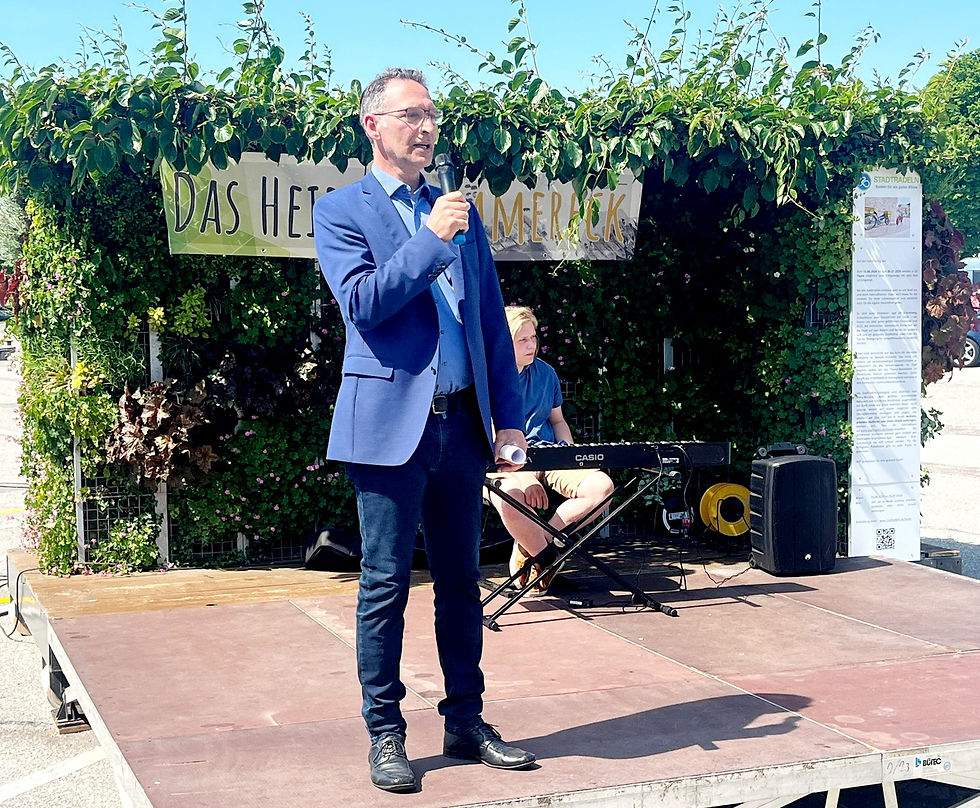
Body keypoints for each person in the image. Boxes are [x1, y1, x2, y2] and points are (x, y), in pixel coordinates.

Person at [312, 68, 536, 793]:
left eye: (432, 114)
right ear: (372, 124)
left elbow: (490, 330)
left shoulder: (458, 212)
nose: (427, 126)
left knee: (462, 584)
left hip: (462, 429)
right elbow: (365, 304)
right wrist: (431, 239)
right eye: (411, 114)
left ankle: (466, 721)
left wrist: (507, 420)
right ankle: (385, 733)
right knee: (384, 584)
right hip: (387, 428)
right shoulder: (343, 211)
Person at [488, 306, 615, 591]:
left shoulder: (546, 374)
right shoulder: (487, 378)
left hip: (548, 454)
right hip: (503, 462)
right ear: (505, 341)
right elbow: (494, 438)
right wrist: (526, 477)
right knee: (512, 496)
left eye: (533, 337)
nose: (532, 345)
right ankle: (545, 558)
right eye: (523, 340)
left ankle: (539, 546)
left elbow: (557, 421)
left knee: (602, 487)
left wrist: (568, 455)